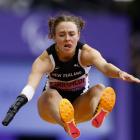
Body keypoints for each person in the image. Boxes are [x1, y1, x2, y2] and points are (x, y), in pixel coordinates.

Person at [2, 14, 140, 139]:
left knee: (100, 88)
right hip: (51, 111)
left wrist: (119, 73)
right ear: (53, 37)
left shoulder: (87, 53)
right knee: (50, 94)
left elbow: (105, 67)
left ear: (78, 35)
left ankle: (99, 114)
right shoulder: (45, 60)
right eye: (62, 35)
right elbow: (31, 85)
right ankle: (67, 125)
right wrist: (19, 102)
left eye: (71, 34)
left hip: (79, 109)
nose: (67, 38)